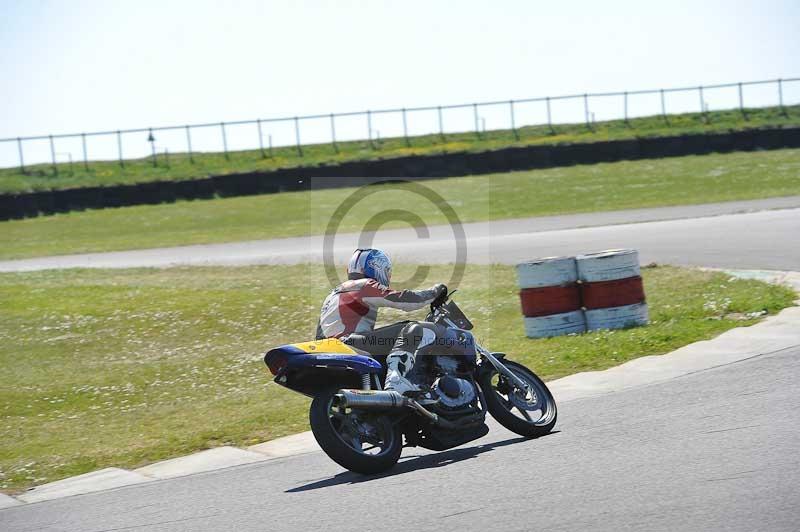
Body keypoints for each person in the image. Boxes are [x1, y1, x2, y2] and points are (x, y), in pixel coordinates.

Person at [317, 248, 447, 395]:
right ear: (376, 268)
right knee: (413, 328)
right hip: (349, 344)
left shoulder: (333, 293)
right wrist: (435, 292)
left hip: (328, 348)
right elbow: (404, 300)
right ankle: (395, 380)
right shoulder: (364, 285)